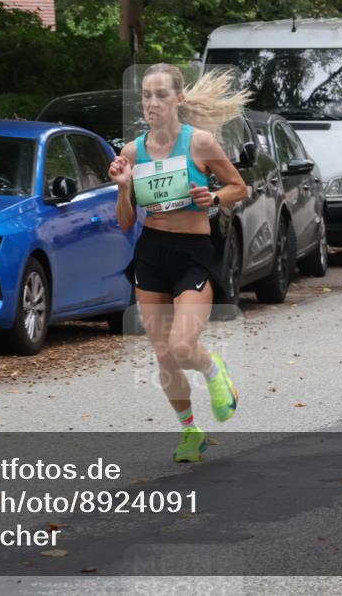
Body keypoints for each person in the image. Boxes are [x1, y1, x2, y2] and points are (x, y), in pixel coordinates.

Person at [109, 63, 249, 463]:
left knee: (184, 346)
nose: (152, 103)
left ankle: (213, 369)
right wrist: (123, 188)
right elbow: (125, 222)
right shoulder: (132, 152)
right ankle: (190, 432)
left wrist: (214, 198)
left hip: (193, 253)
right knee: (165, 357)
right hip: (151, 254)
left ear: (178, 99)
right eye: (146, 96)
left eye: (161, 95)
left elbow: (239, 187)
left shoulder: (199, 143)